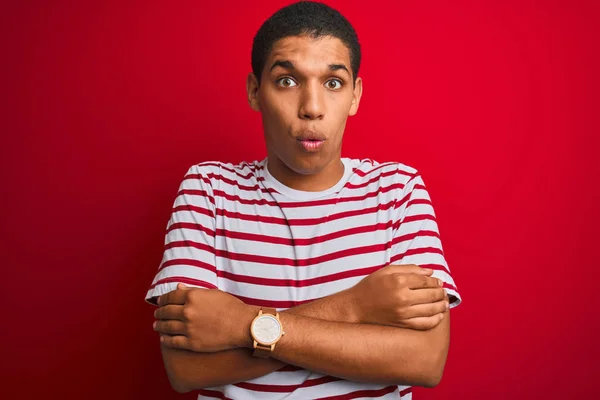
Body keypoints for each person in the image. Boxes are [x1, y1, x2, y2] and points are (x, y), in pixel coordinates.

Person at [146, 1, 461, 398]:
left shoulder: (398, 191)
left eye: (332, 83)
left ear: (355, 95)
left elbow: (424, 360)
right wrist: (355, 309)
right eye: (287, 81)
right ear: (254, 90)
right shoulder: (209, 191)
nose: (312, 108)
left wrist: (240, 327)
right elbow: (187, 368)